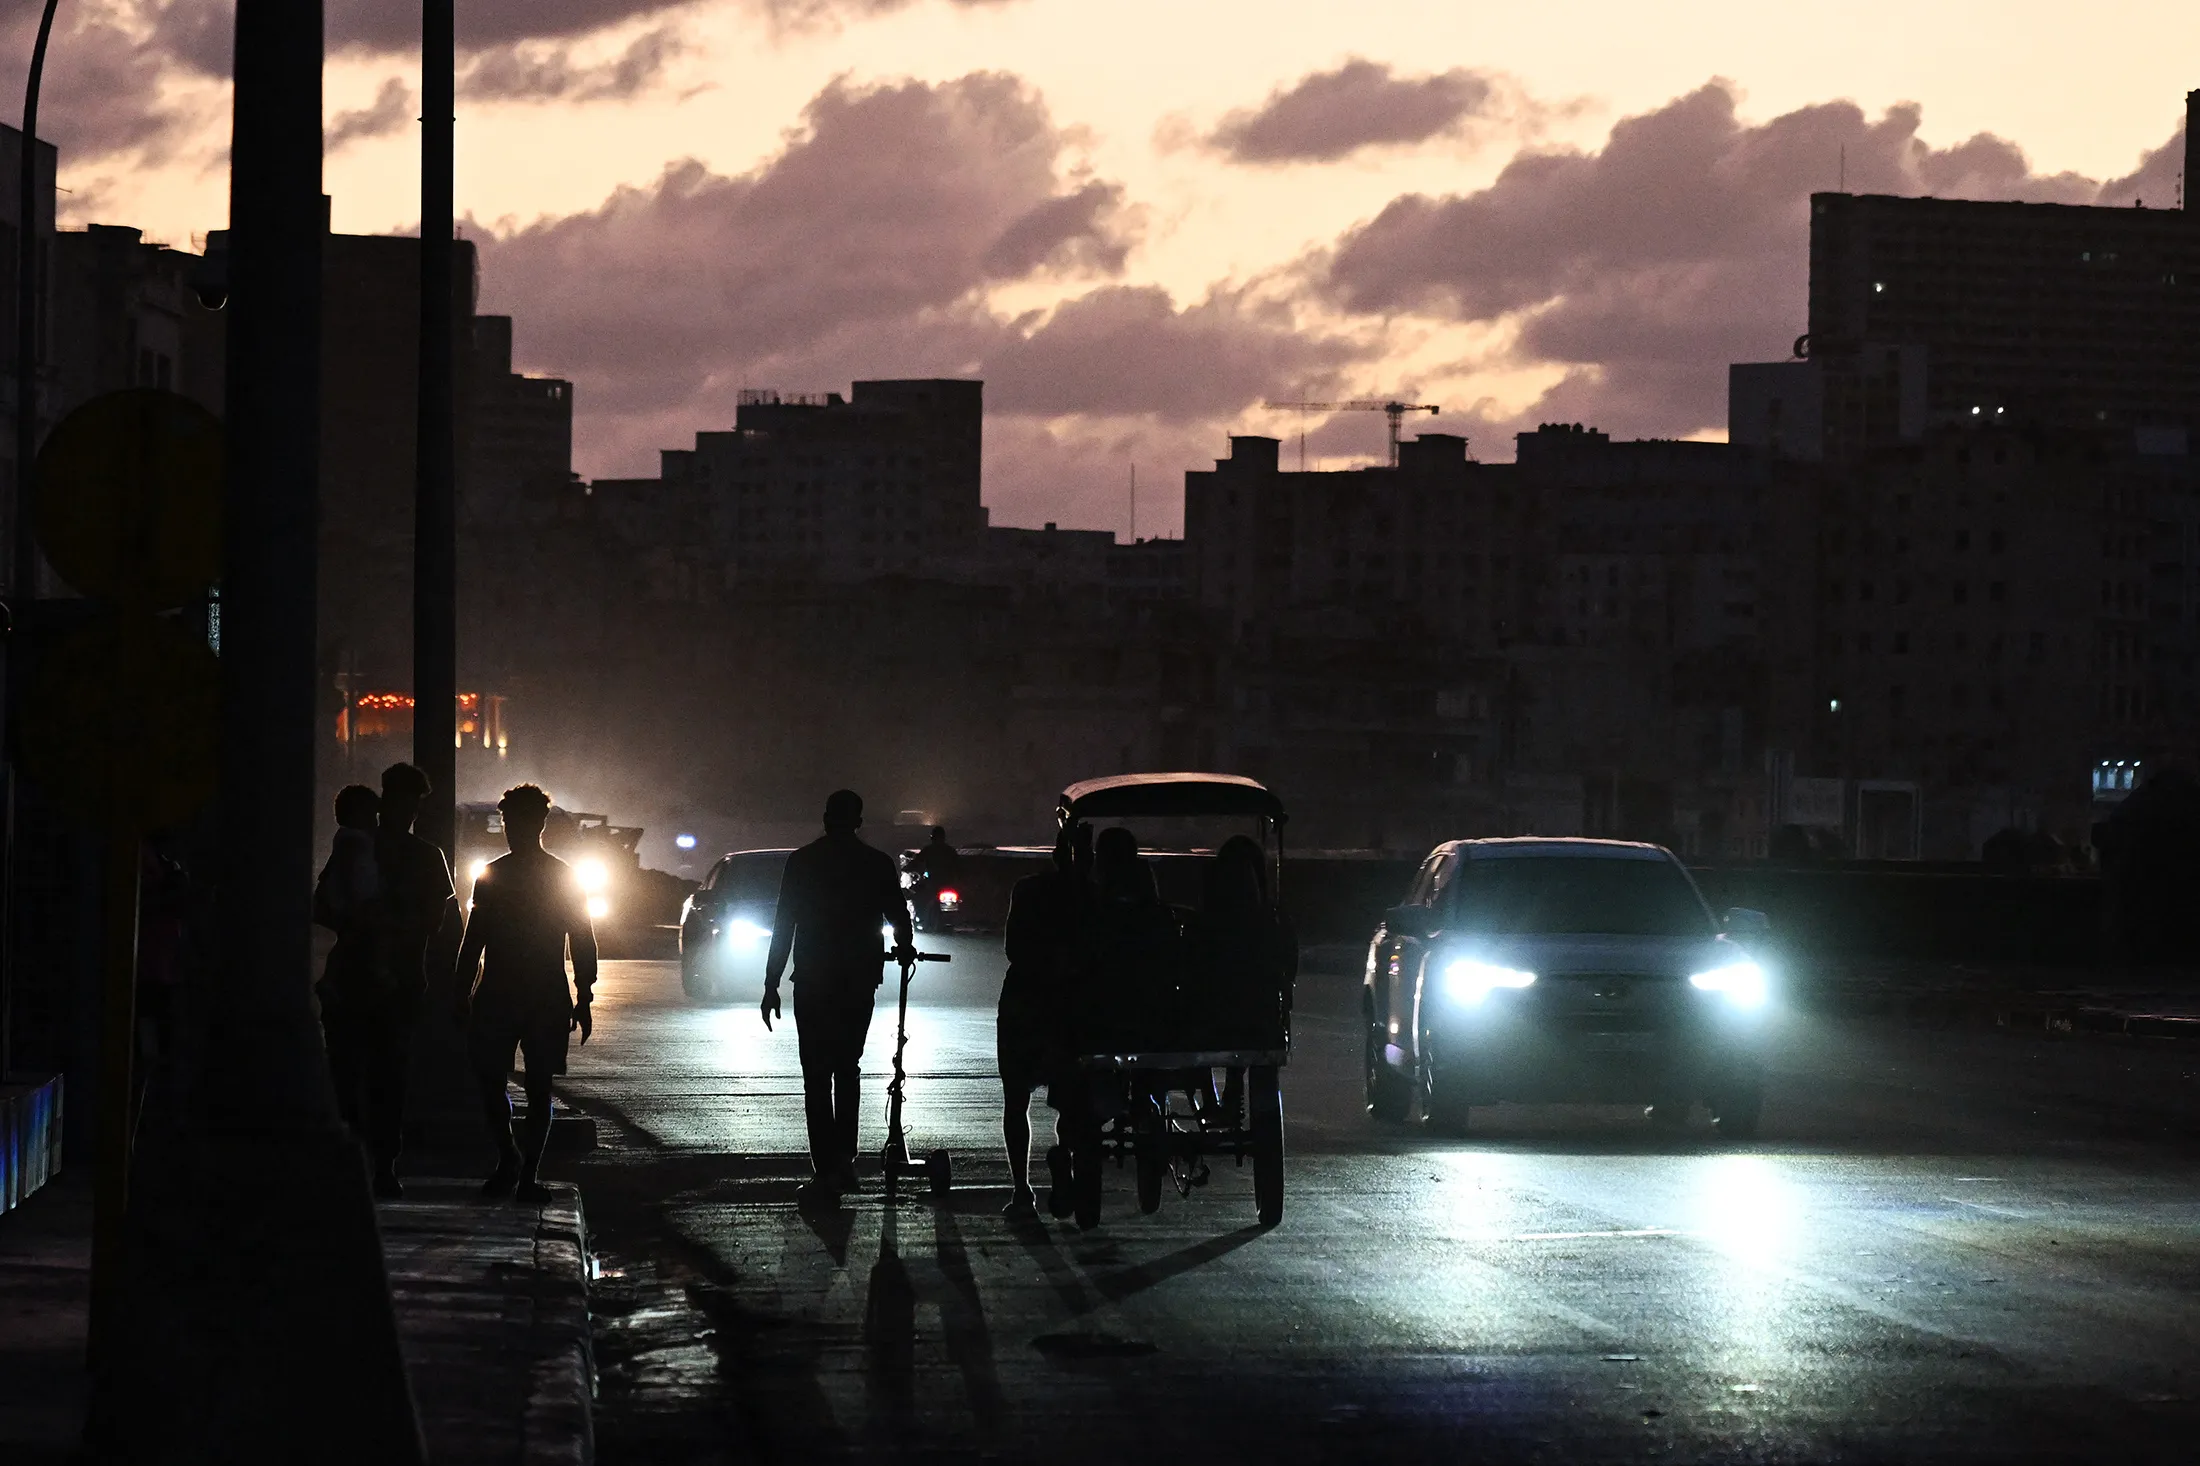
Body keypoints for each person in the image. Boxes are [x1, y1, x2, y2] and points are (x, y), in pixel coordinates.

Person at [761, 789, 913, 1202]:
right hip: (858, 980)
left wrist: (771, 982)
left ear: (826, 818)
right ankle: (845, 1160)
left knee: (816, 1074)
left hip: (812, 979)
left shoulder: (803, 862)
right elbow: (899, 916)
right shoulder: (875, 863)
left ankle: (824, 1167)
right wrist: (904, 947)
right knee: (848, 1067)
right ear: (858, 821)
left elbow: (783, 925)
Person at [452, 783, 598, 1202]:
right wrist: (582, 994)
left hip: (503, 989)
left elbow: (474, 939)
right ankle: (523, 1169)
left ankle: (515, 1164)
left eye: (514, 820)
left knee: (506, 1081)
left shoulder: (494, 875)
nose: (512, 827)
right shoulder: (560, 875)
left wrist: (462, 989)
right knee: (530, 1084)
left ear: (532, 824)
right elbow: (582, 937)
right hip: (540, 990)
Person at [998, 823, 1089, 1218]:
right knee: (1073, 1099)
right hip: (1072, 1006)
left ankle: (1022, 1189)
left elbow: (1012, 947)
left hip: (1024, 1001)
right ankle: (1066, 1157)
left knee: (1016, 1101)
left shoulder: (1028, 889)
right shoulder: (1094, 896)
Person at [316, 785, 400, 1193]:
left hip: (344, 973)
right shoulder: (358, 852)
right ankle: (367, 1161)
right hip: (360, 975)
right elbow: (365, 908)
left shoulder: (341, 851)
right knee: (371, 1071)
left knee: (347, 1069)